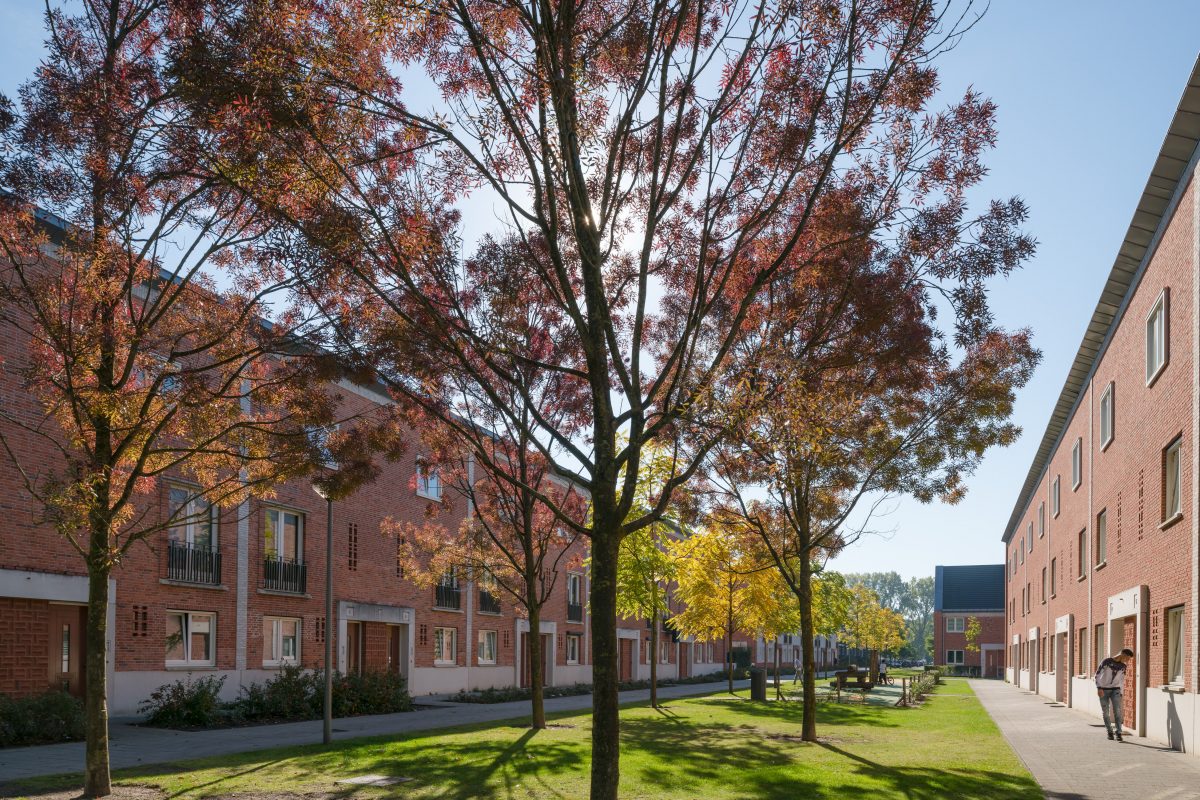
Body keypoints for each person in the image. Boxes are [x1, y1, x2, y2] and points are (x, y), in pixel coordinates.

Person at [1095, 648, 1135, 742]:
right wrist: (1099, 687)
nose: (1128, 661)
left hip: (1116, 690)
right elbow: (1097, 674)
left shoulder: (1123, 666)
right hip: (1103, 690)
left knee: (1117, 711)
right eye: (1127, 658)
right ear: (1122, 654)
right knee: (1105, 712)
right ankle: (1109, 731)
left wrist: (1121, 692)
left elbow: (1121, 680)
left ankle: (1118, 733)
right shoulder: (1106, 661)